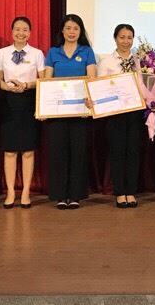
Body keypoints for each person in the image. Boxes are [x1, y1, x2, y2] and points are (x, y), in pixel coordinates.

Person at [43, 14, 97, 209]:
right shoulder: (53, 52)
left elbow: (91, 79)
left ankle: (75, 195)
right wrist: (45, 105)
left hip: (80, 111)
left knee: (78, 152)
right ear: (62, 30)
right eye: (68, 28)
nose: (72, 32)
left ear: (80, 31)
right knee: (58, 152)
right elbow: (47, 81)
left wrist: (89, 99)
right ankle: (60, 195)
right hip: (57, 112)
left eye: (75, 28)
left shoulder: (87, 51)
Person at [92, 24, 148, 209]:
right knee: (117, 153)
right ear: (115, 38)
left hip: (135, 112)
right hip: (115, 113)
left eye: (129, 38)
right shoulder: (106, 62)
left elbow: (146, 84)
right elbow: (101, 87)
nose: (126, 41)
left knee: (133, 152)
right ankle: (120, 192)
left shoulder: (141, 60)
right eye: (122, 37)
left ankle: (131, 191)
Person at [0, 16, 44, 209]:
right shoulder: (3, 53)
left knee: (28, 151)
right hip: (8, 102)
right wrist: (6, 86)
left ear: (30, 33)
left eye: (25, 30)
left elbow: (43, 79)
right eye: (17, 29)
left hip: (29, 101)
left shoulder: (37, 53)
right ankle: (11, 192)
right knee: (10, 151)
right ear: (12, 31)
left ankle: (26, 192)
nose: (21, 33)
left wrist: (27, 84)